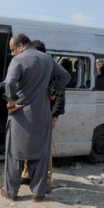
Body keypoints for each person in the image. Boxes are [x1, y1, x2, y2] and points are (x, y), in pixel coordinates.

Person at [0, 33, 70, 201]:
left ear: (21, 46)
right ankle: (38, 193)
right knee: (40, 154)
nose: (12, 53)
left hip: (20, 115)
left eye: (13, 50)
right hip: (42, 116)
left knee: (14, 154)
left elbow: (9, 83)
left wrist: (11, 103)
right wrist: (51, 89)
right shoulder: (47, 59)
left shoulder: (18, 60)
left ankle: (11, 192)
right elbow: (65, 76)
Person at [20, 40, 66, 193]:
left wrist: (54, 117)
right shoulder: (33, 66)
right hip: (31, 113)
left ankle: (45, 178)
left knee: (44, 147)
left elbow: (60, 94)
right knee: (28, 143)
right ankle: (27, 174)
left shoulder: (50, 66)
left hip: (47, 113)